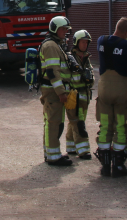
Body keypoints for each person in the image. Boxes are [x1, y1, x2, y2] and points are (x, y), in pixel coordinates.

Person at [95, 17, 127, 177]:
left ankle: (105, 166)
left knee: (106, 126)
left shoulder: (101, 40)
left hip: (104, 88)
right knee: (121, 126)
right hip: (121, 89)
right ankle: (118, 166)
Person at [39, 16, 74, 166]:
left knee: (52, 122)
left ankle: (51, 153)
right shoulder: (52, 46)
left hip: (52, 89)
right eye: (63, 29)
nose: (65, 32)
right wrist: (61, 92)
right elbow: (53, 71)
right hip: (53, 91)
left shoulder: (55, 44)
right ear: (55, 29)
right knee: (54, 123)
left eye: (66, 29)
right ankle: (53, 156)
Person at [65, 29, 94, 160]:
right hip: (74, 96)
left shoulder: (86, 57)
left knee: (74, 122)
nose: (85, 44)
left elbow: (90, 75)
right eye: (82, 42)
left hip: (85, 95)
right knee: (79, 123)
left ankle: (71, 146)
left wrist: (90, 79)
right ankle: (83, 150)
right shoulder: (70, 58)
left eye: (86, 42)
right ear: (76, 42)